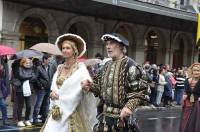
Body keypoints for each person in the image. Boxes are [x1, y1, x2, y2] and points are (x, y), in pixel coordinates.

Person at [82, 33, 148, 132]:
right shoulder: (105, 66)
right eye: (107, 44)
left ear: (121, 46)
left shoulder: (131, 66)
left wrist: (129, 107)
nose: (108, 47)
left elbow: (141, 91)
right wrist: (90, 86)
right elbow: (100, 89)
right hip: (104, 117)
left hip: (122, 118)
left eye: (112, 43)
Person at [41, 33, 97, 132]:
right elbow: (54, 86)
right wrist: (52, 93)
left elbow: (88, 87)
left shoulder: (80, 68)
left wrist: (86, 87)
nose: (65, 50)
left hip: (72, 109)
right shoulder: (59, 67)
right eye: (63, 48)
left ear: (74, 50)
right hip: (57, 110)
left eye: (68, 48)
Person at [16, 57, 37, 127]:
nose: (28, 64)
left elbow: (34, 78)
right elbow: (21, 76)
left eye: (29, 63)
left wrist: (27, 77)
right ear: (23, 63)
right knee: (20, 106)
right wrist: (29, 76)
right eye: (26, 63)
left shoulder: (31, 69)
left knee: (29, 106)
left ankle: (27, 119)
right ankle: (19, 121)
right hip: (20, 90)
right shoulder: (19, 68)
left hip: (28, 89)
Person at [179, 63, 200, 132]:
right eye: (195, 70)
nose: (196, 72)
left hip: (198, 105)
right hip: (188, 105)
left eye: (198, 70)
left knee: (196, 123)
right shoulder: (187, 81)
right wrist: (184, 96)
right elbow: (185, 91)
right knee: (185, 123)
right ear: (192, 71)